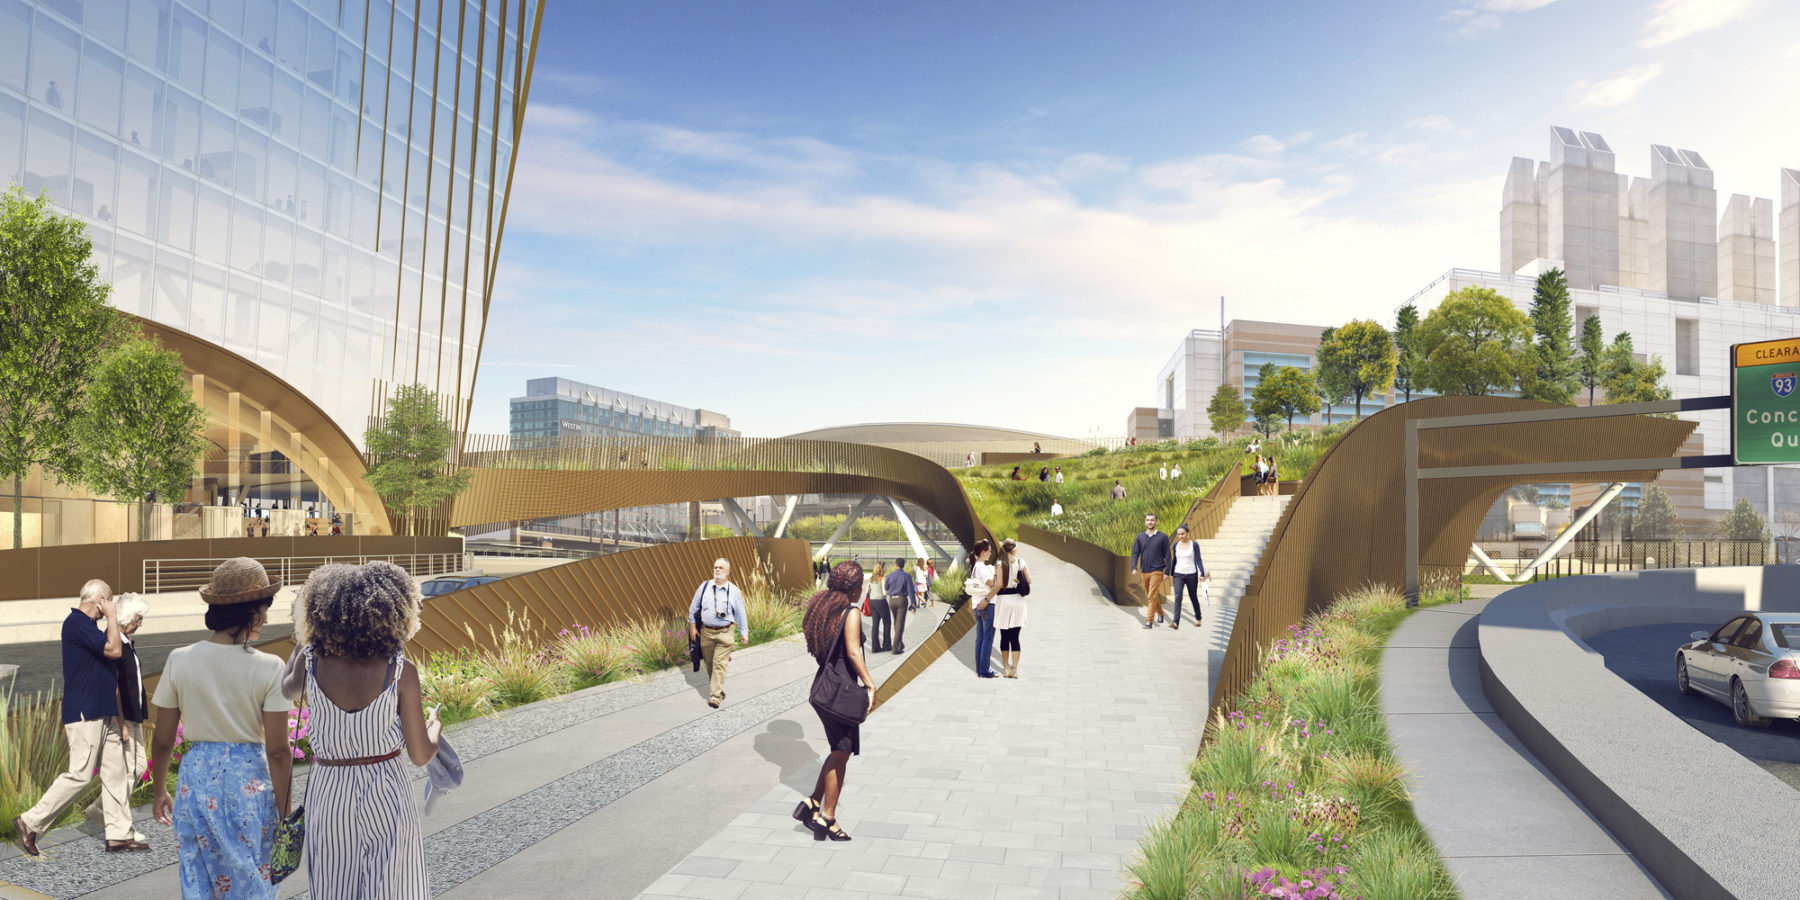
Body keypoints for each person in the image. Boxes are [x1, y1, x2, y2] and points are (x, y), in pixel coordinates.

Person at [279, 562, 440, 899]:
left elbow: (287, 690)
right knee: (396, 885)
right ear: (396, 610)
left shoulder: (311, 661)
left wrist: (304, 641)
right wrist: (434, 726)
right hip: (386, 788)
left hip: (330, 788)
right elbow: (421, 755)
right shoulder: (400, 670)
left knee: (333, 885)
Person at [150, 558, 293, 899]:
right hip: (248, 781)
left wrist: (159, 790)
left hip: (196, 779)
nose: (267, 617)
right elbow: (277, 750)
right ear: (250, 613)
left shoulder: (179, 659)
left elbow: (162, 739)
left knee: (198, 875)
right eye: (264, 608)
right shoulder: (270, 667)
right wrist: (287, 813)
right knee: (252, 874)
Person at [12, 579, 135, 856]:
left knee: (117, 772)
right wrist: (113, 617)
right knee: (79, 774)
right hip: (85, 712)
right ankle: (29, 821)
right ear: (100, 599)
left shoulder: (89, 627)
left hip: (103, 712)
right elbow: (115, 650)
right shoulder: (76, 622)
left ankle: (118, 835)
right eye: (109, 601)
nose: (110, 607)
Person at [796, 562, 877, 842]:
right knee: (841, 753)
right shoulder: (851, 611)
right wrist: (869, 683)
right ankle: (827, 819)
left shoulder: (825, 606)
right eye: (861, 584)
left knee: (837, 750)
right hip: (842, 692)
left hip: (826, 686)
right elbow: (854, 652)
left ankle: (812, 804)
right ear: (854, 588)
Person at [83, 593, 152, 845]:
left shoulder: (126, 643)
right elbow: (113, 687)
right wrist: (121, 723)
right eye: (138, 618)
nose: (140, 623)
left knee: (137, 768)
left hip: (134, 716)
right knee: (127, 771)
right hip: (124, 719)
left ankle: (99, 809)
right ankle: (118, 823)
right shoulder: (116, 646)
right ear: (125, 618)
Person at [688, 558, 748, 708]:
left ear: (728, 572)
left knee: (719, 664)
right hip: (706, 633)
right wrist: (693, 627)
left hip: (725, 633)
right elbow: (693, 607)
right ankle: (718, 690)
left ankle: (715, 697)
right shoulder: (704, 586)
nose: (717, 570)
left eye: (721, 568)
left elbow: (741, 613)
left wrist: (744, 632)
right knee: (709, 665)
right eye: (715, 567)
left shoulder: (734, 591)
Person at [993, 539, 1031, 678]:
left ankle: (1005, 669)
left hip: (1003, 601)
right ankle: (1014, 669)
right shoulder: (1021, 562)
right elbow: (1030, 581)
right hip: (1018, 601)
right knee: (1015, 637)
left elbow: (998, 583)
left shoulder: (999, 563)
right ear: (1014, 549)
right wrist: (1017, 580)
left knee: (1004, 636)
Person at [1131, 514, 1172, 629]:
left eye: (1152, 520)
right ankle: (1161, 613)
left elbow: (1167, 555)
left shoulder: (1162, 537)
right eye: (1148, 520)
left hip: (1157, 570)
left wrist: (1166, 571)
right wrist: (1134, 567)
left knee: (1152, 595)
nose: (1150, 522)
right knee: (1150, 596)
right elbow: (1135, 553)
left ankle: (1149, 621)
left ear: (1156, 522)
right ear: (1145, 522)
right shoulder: (1140, 537)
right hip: (1145, 571)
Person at [968, 540, 1001, 678]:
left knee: (980, 639)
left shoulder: (976, 566)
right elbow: (992, 583)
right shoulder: (981, 567)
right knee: (987, 639)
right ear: (983, 552)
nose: (990, 553)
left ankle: (981, 670)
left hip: (977, 604)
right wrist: (995, 571)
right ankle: (985, 670)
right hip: (986, 605)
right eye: (989, 550)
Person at [1169, 525, 1207, 630]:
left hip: (1191, 574)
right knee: (1178, 597)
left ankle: (1198, 618)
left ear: (1187, 533)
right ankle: (1175, 622)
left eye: (1182, 534)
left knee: (1193, 597)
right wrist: (1170, 573)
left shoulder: (1194, 545)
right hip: (1178, 574)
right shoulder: (1176, 545)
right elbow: (1174, 561)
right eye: (1178, 534)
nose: (1180, 536)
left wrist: (1202, 573)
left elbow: (1198, 559)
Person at [884, 558, 914, 654]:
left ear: (895, 565)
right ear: (903, 565)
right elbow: (910, 591)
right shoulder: (907, 576)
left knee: (896, 622)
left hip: (892, 600)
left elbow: (886, 587)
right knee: (900, 623)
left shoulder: (889, 576)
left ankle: (899, 643)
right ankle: (896, 648)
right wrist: (913, 603)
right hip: (902, 600)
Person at [866, 563, 891, 653]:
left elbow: (867, 590)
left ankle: (875, 648)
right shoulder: (882, 578)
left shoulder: (871, 578)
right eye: (885, 566)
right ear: (881, 568)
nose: (886, 568)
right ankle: (887, 646)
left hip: (872, 601)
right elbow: (884, 593)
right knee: (887, 622)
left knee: (875, 624)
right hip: (881, 601)